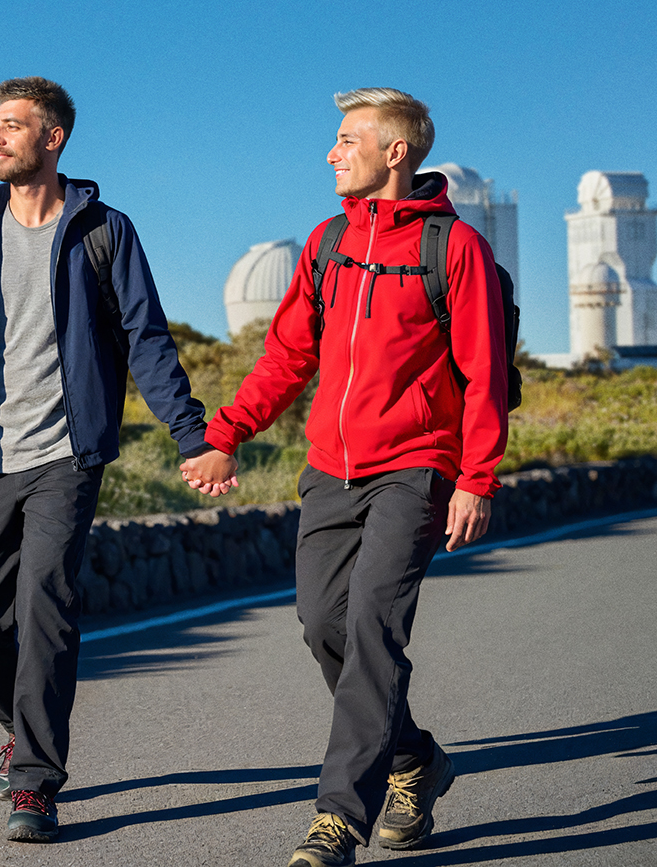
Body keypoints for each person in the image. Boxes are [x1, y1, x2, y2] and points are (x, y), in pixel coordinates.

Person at [182, 88, 508, 866]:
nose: (331, 152)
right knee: (323, 623)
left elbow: (483, 371)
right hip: (330, 469)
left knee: (372, 629)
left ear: (395, 152)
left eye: (346, 139)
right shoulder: (327, 243)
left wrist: (477, 478)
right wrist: (227, 434)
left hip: (417, 466)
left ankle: (337, 820)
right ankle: (415, 761)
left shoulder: (453, 250)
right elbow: (288, 354)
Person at [0, 77, 216, 843]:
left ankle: (36, 784)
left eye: (12, 125)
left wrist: (192, 435)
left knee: (45, 603)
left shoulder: (102, 232)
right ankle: (19, 724)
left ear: (53, 138)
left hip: (67, 455)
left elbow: (147, 339)